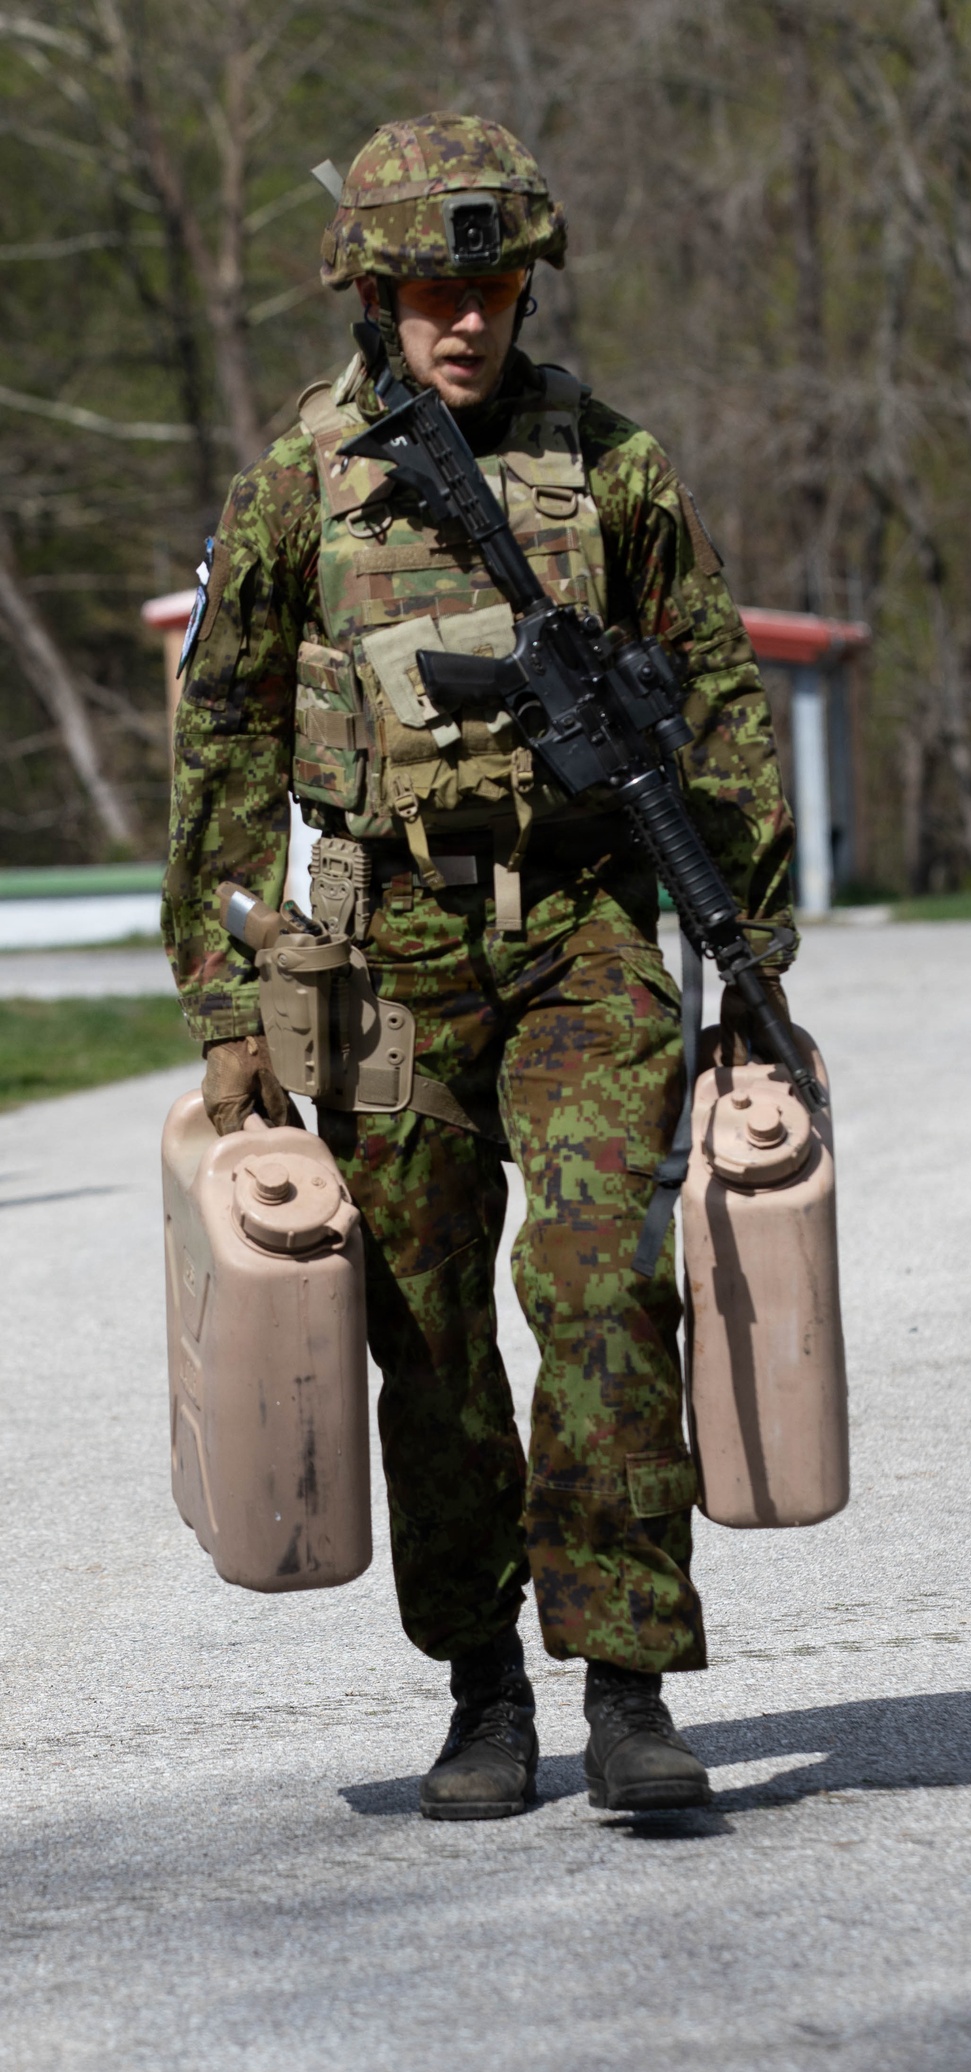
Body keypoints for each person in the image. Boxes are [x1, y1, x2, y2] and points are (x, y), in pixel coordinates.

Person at [163, 112, 798, 1821]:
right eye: (434, 291)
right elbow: (222, 735)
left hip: (582, 931)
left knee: (603, 1287)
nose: (466, 319)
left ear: (527, 288)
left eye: (494, 287)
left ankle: (629, 1681)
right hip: (386, 951)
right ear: (375, 295)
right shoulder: (300, 480)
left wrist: (752, 964)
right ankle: (483, 1685)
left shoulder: (615, 468)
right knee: (426, 1330)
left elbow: (719, 707)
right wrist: (226, 996)